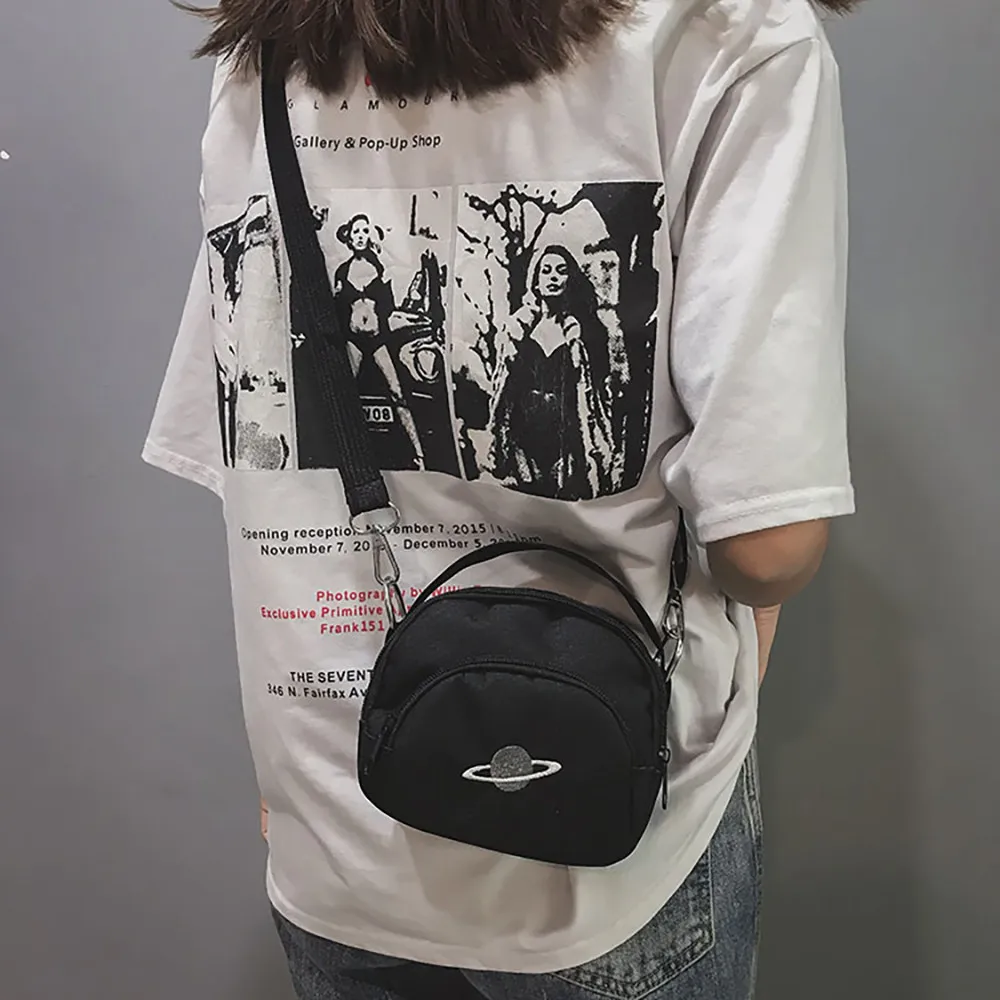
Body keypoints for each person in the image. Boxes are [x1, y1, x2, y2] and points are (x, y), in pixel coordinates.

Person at [147, 0, 858, 997]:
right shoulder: (726, 31)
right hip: (599, 843)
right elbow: (766, 548)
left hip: (336, 824)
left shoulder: (272, 47)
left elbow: (255, 450)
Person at [488, 245, 617, 500]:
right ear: (536, 281)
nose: (553, 277)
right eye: (546, 271)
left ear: (571, 280)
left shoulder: (583, 333)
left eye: (561, 271)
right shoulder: (517, 331)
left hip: (566, 443)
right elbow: (504, 391)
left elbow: (595, 396)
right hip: (523, 441)